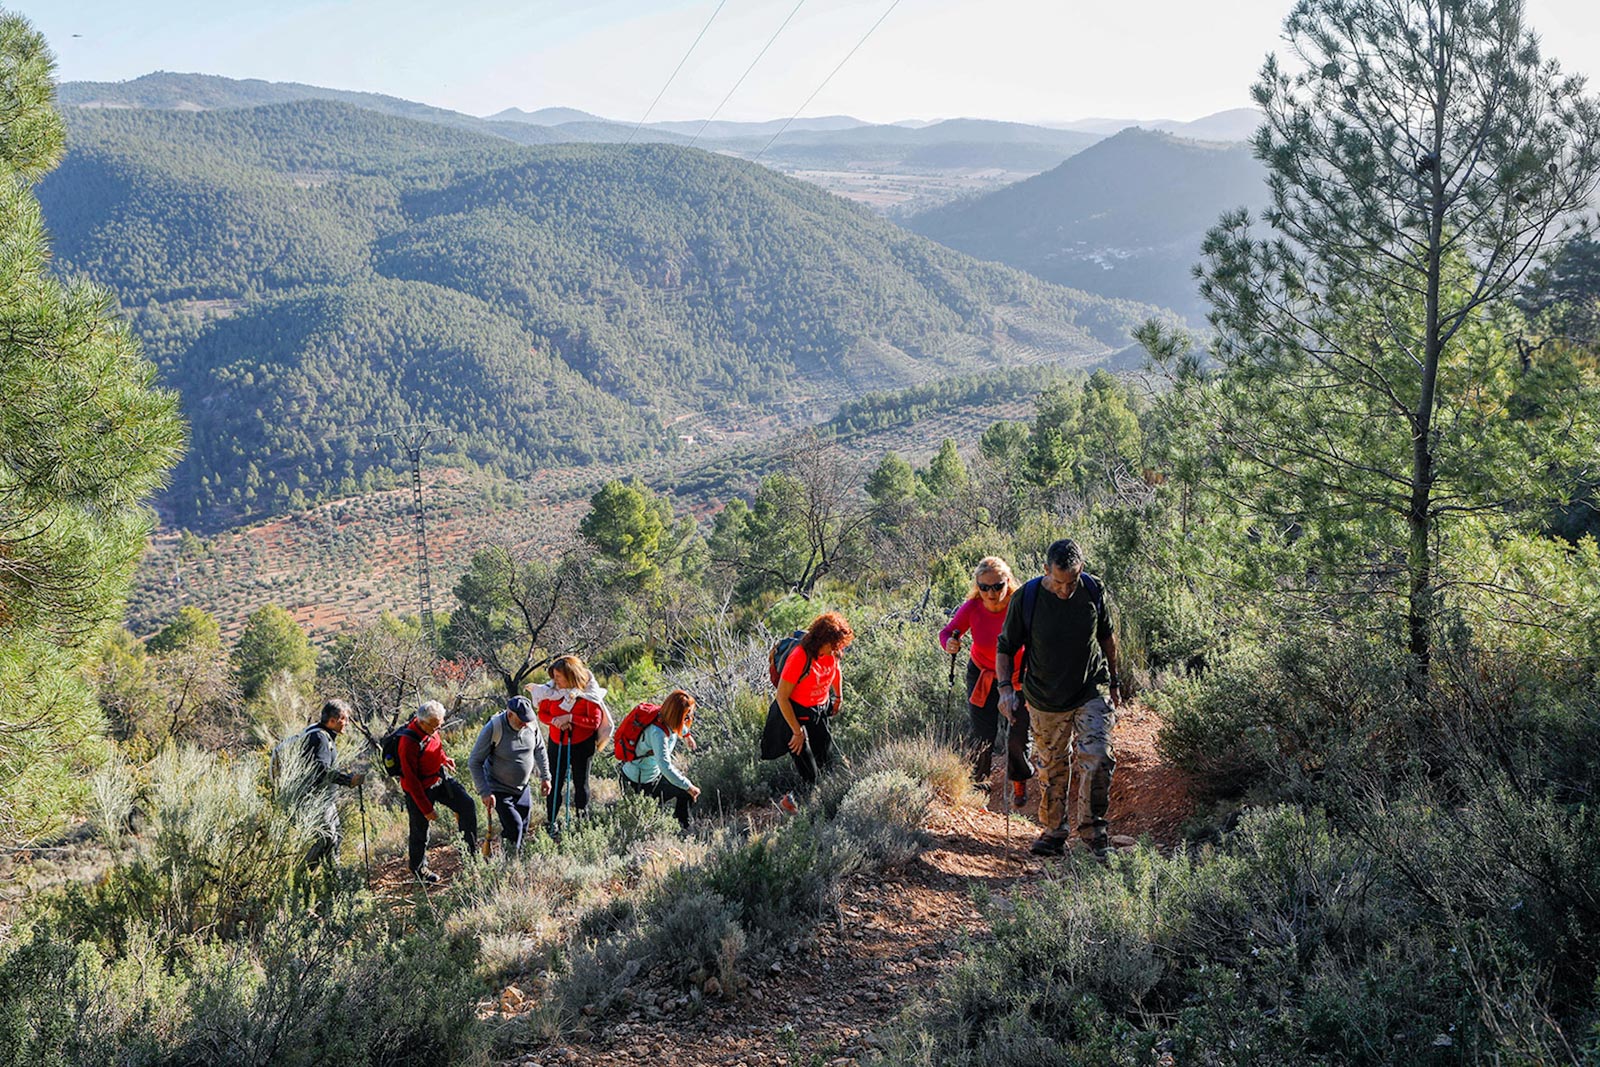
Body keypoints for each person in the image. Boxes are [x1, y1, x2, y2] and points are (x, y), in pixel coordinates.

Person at [995, 538, 1123, 858]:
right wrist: (1005, 690)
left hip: (1090, 688)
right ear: (1045, 570)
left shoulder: (1092, 590)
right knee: (1053, 766)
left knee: (1098, 756)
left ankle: (1094, 833)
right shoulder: (1028, 597)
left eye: (1073, 581)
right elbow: (1006, 647)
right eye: (1060, 582)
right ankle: (1054, 831)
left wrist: (1116, 681)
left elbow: (1106, 637)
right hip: (1044, 697)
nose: (1066, 590)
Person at [938, 557, 1033, 808]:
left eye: (998, 586)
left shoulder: (1019, 605)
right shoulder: (972, 608)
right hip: (982, 675)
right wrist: (949, 643)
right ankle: (979, 788)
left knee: (1017, 735)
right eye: (984, 587)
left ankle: (1019, 782)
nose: (991, 593)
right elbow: (948, 631)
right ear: (977, 586)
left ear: (1008, 582)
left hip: (1017, 678)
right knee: (982, 735)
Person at [760, 611, 853, 794]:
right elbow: (782, 697)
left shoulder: (833, 652)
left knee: (825, 758)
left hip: (819, 708)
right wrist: (796, 731)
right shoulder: (800, 657)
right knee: (808, 769)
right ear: (822, 640)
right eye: (834, 645)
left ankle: (828, 793)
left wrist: (838, 697)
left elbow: (836, 671)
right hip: (795, 710)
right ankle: (808, 800)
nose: (837, 650)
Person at [397, 700, 480, 883]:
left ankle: (471, 854)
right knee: (420, 830)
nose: (437, 728)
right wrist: (426, 809)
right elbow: (411, 781)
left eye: (439, 724)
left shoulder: (432, 728)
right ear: (422, 722)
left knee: (467, 804)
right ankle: (419, 870)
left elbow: (435, 745)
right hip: (419, 789)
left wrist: (443, 758)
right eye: (434, 726)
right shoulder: (408, 743)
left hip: (439, 779)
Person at [528, 655, 609, 833]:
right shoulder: (551, 691)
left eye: (559, 676)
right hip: (557, 743)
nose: (554, 680)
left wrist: (571, 718)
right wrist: (556, 720)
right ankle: (551, 821)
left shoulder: (588, 693)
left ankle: (582, 823)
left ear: (571, 676)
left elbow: (594, 722)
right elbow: (542, 714)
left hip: (582, 745)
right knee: (554, 782)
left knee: (581, 783)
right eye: (554, 676)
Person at [468, 695, 553, 856]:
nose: (525, 724)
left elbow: (540, 750)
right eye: (521, 721)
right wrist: (485, 792)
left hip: (523, 788)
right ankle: (509, 865)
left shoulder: (530, 725)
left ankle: (514, 860)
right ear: (510, 715)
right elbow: (474, 761)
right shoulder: (494, 728)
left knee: (523, 827)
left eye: (527, 720)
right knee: (515, 827)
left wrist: (546, 777)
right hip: (498, 788)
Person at [293, 698, 366, 870]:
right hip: (314, 798)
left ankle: (334, 880)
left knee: (336, 837)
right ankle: (300, 877)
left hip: (323, 798)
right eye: (344, 719)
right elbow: (321, 770)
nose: (347, 723)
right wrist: (348, 780)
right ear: (333, 720)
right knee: (327, 838)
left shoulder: (319, 733)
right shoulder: (319, 737)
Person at [618, 690, 701, 829]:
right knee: (639, 824)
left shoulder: (666, 719)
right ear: (677, 715)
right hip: (637, 783)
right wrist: (689, 786)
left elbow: (681, 727)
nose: (689, 718)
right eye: (687, 716)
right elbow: (665, 767)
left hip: (654, 777)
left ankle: (682, 826)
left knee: (685, 792)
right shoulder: (658, 733)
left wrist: (687, 736)